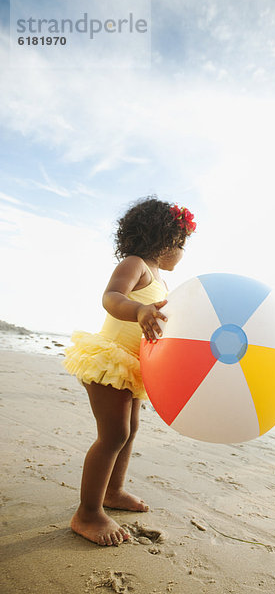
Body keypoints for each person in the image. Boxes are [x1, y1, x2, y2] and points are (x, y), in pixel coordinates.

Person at [63, 197, 196, 546]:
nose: (182, 251)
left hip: (132, 367)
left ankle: (114, 491)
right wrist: (138, 310)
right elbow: (111, 297)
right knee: (113, 435)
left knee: (129, 430)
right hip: (109, 360)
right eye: (181, 243)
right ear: (163, 240)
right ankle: (87, 513)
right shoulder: (136, 264)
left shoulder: (163, 284)